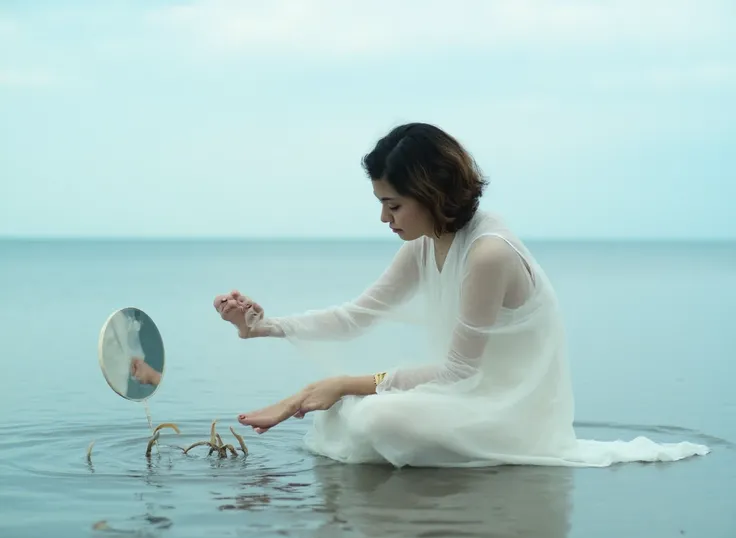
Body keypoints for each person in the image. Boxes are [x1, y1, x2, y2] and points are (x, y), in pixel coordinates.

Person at [213, 122, 710, 469]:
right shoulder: (426, 244)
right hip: (462, 400)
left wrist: (344, 380)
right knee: (349, 415)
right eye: (382, 205)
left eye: (393, 205)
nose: (385, 219)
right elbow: (355, 317)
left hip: (507, 412)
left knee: (374, 416)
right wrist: (262, 325)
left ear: (431, 193)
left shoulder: (488, 253)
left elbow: (458, 373)